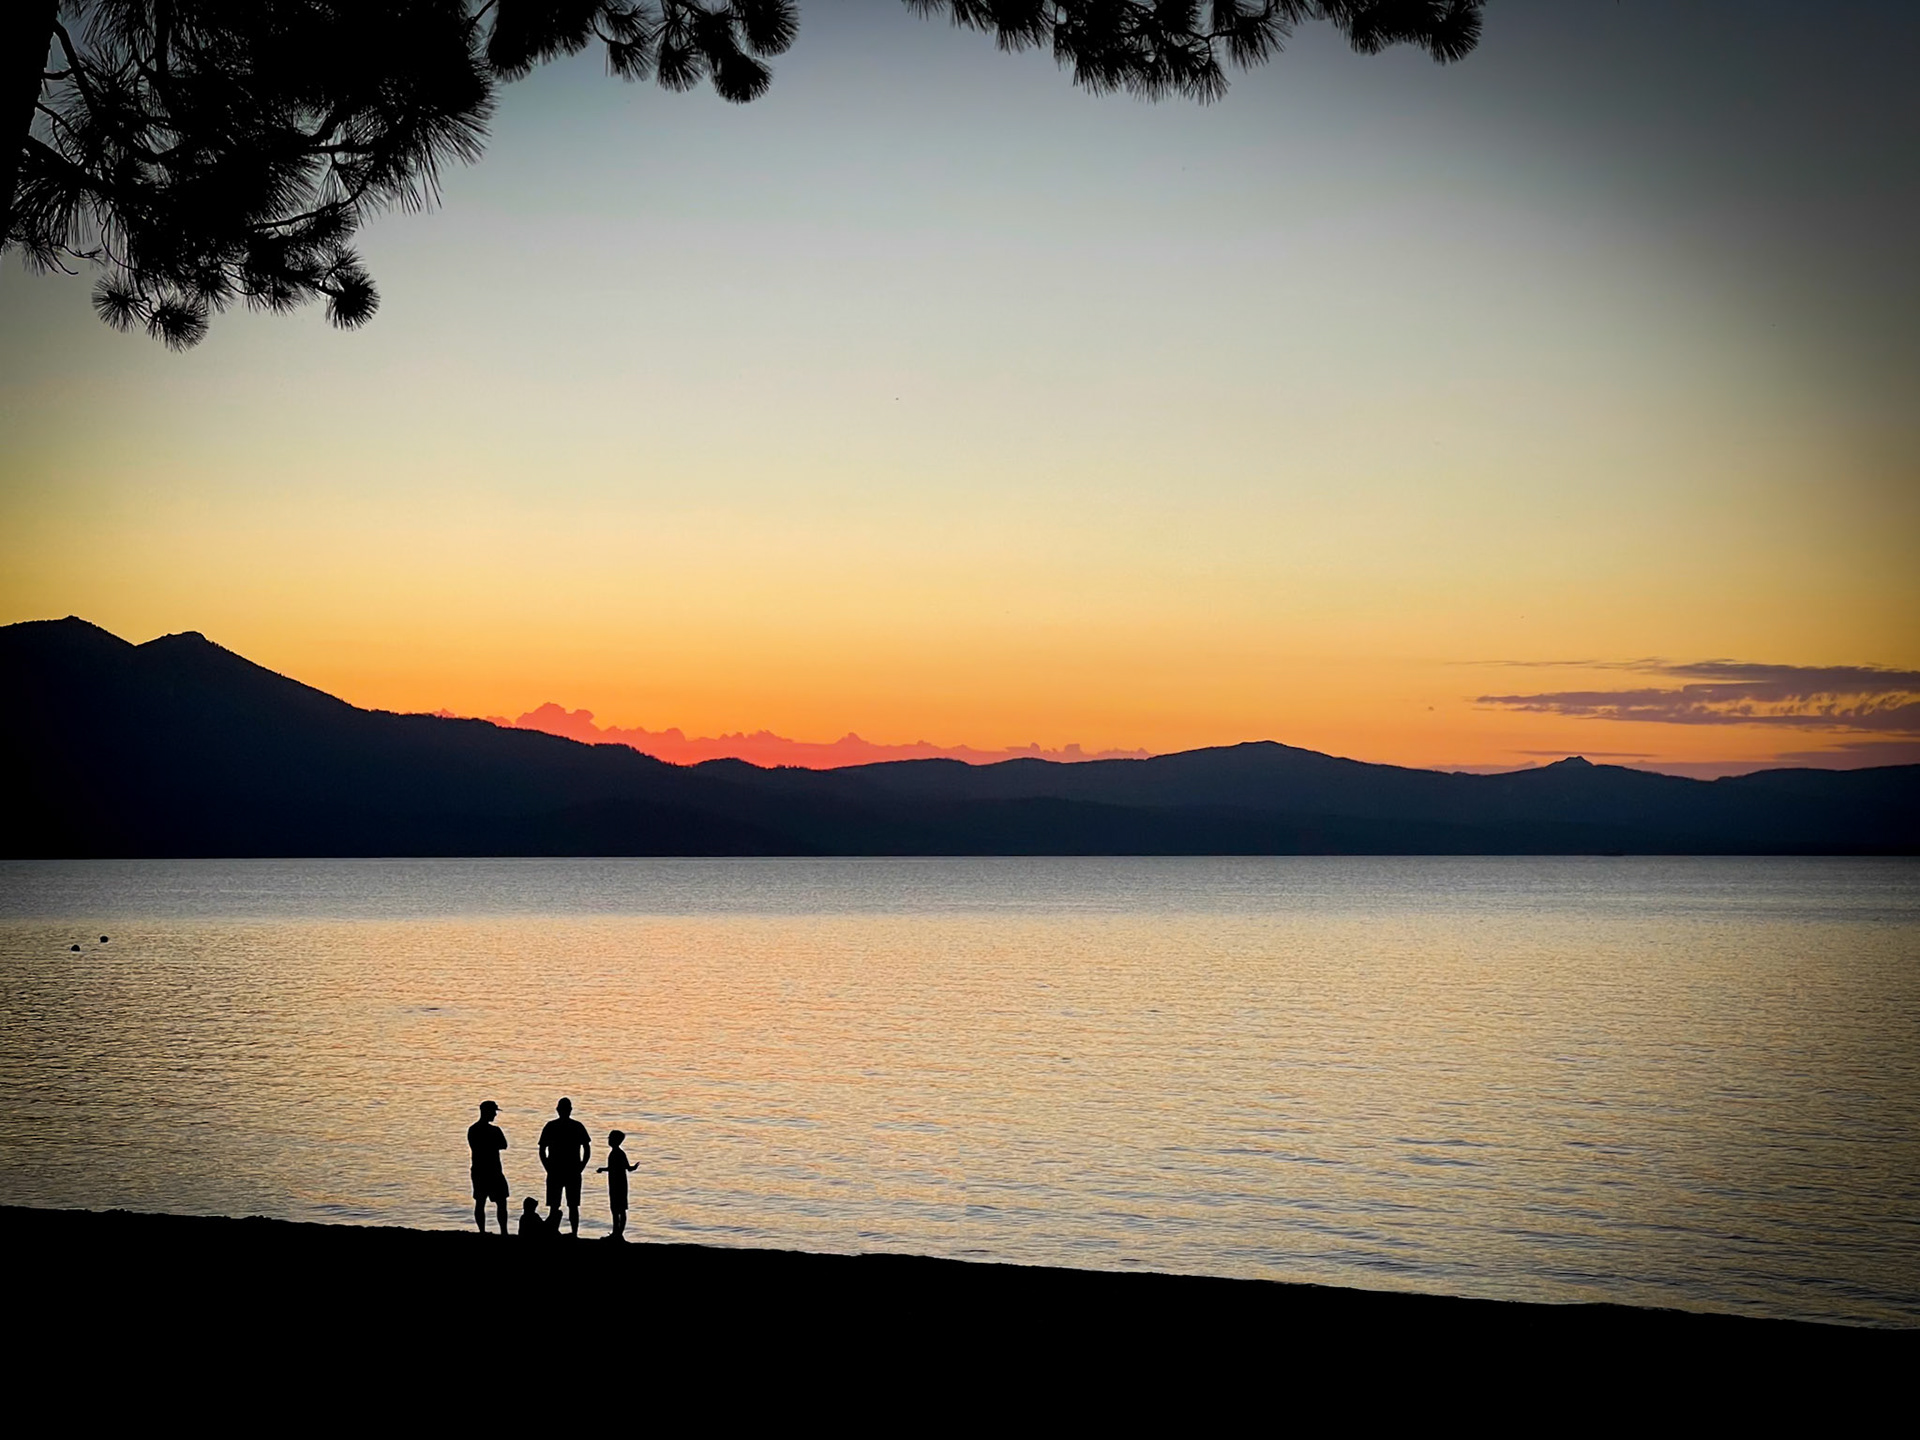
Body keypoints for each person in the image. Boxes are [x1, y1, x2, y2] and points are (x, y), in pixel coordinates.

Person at [537, 1097, 592, 1237]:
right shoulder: (577, 1126)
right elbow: (587, 1148)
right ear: (570, 1110)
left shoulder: (551, 1126)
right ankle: (572, 1233)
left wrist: (547, 1166)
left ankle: (558, 1231)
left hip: (559, 1169)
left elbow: (542, 1149)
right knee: (570, 1205)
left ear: (558, 1110)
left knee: (558, 1205)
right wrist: (582, 1165)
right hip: (569, 1169)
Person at [467, 1100, 510, 1235]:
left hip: (480, 1170)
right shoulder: (494, 1130)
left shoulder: (473, 1129)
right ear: (487, 1112)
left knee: (481, 1202)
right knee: (499, 1202)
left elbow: (502, 1145)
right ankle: (503, 1231)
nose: (495, 1115)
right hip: (492, 1171)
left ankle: (483, 1231)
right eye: (493, 1112)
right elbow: (503, 1145)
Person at [596, 1130, 639, 1241]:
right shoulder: (618, 1153)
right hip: (617, 1183)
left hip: (618, 1184)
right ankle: (617, 1233)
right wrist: (603, 1169)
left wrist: (603, 1169)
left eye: (610, 1138)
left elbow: (624, 1168)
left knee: (618, 1209)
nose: (609, 1140)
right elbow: (627, 1168)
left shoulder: (618, 1153)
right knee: (617, 1209)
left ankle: (618, 1234)